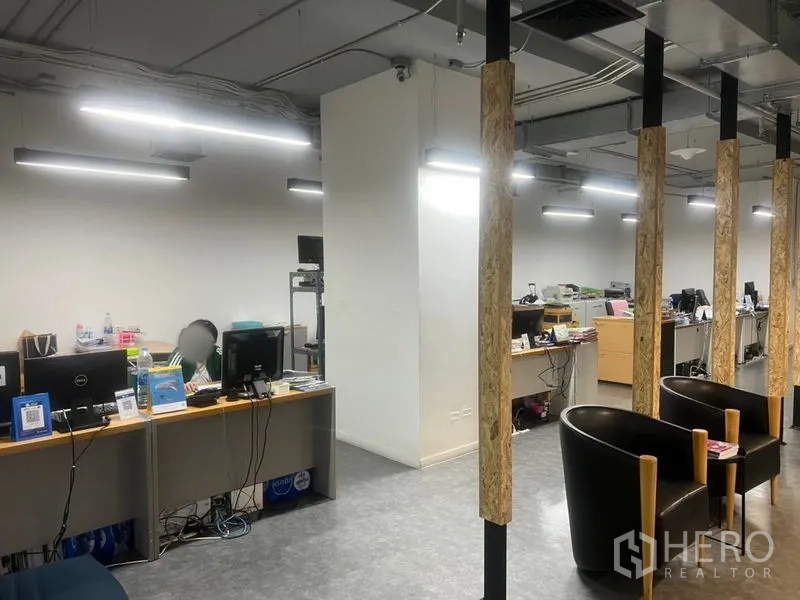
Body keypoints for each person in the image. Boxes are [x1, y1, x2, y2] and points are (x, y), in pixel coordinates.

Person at [166, 319, 223, 393]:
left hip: (215, 399)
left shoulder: (218, 354)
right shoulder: (181, 354)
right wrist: (182, 385)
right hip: (188, 400)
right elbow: (166, 382)